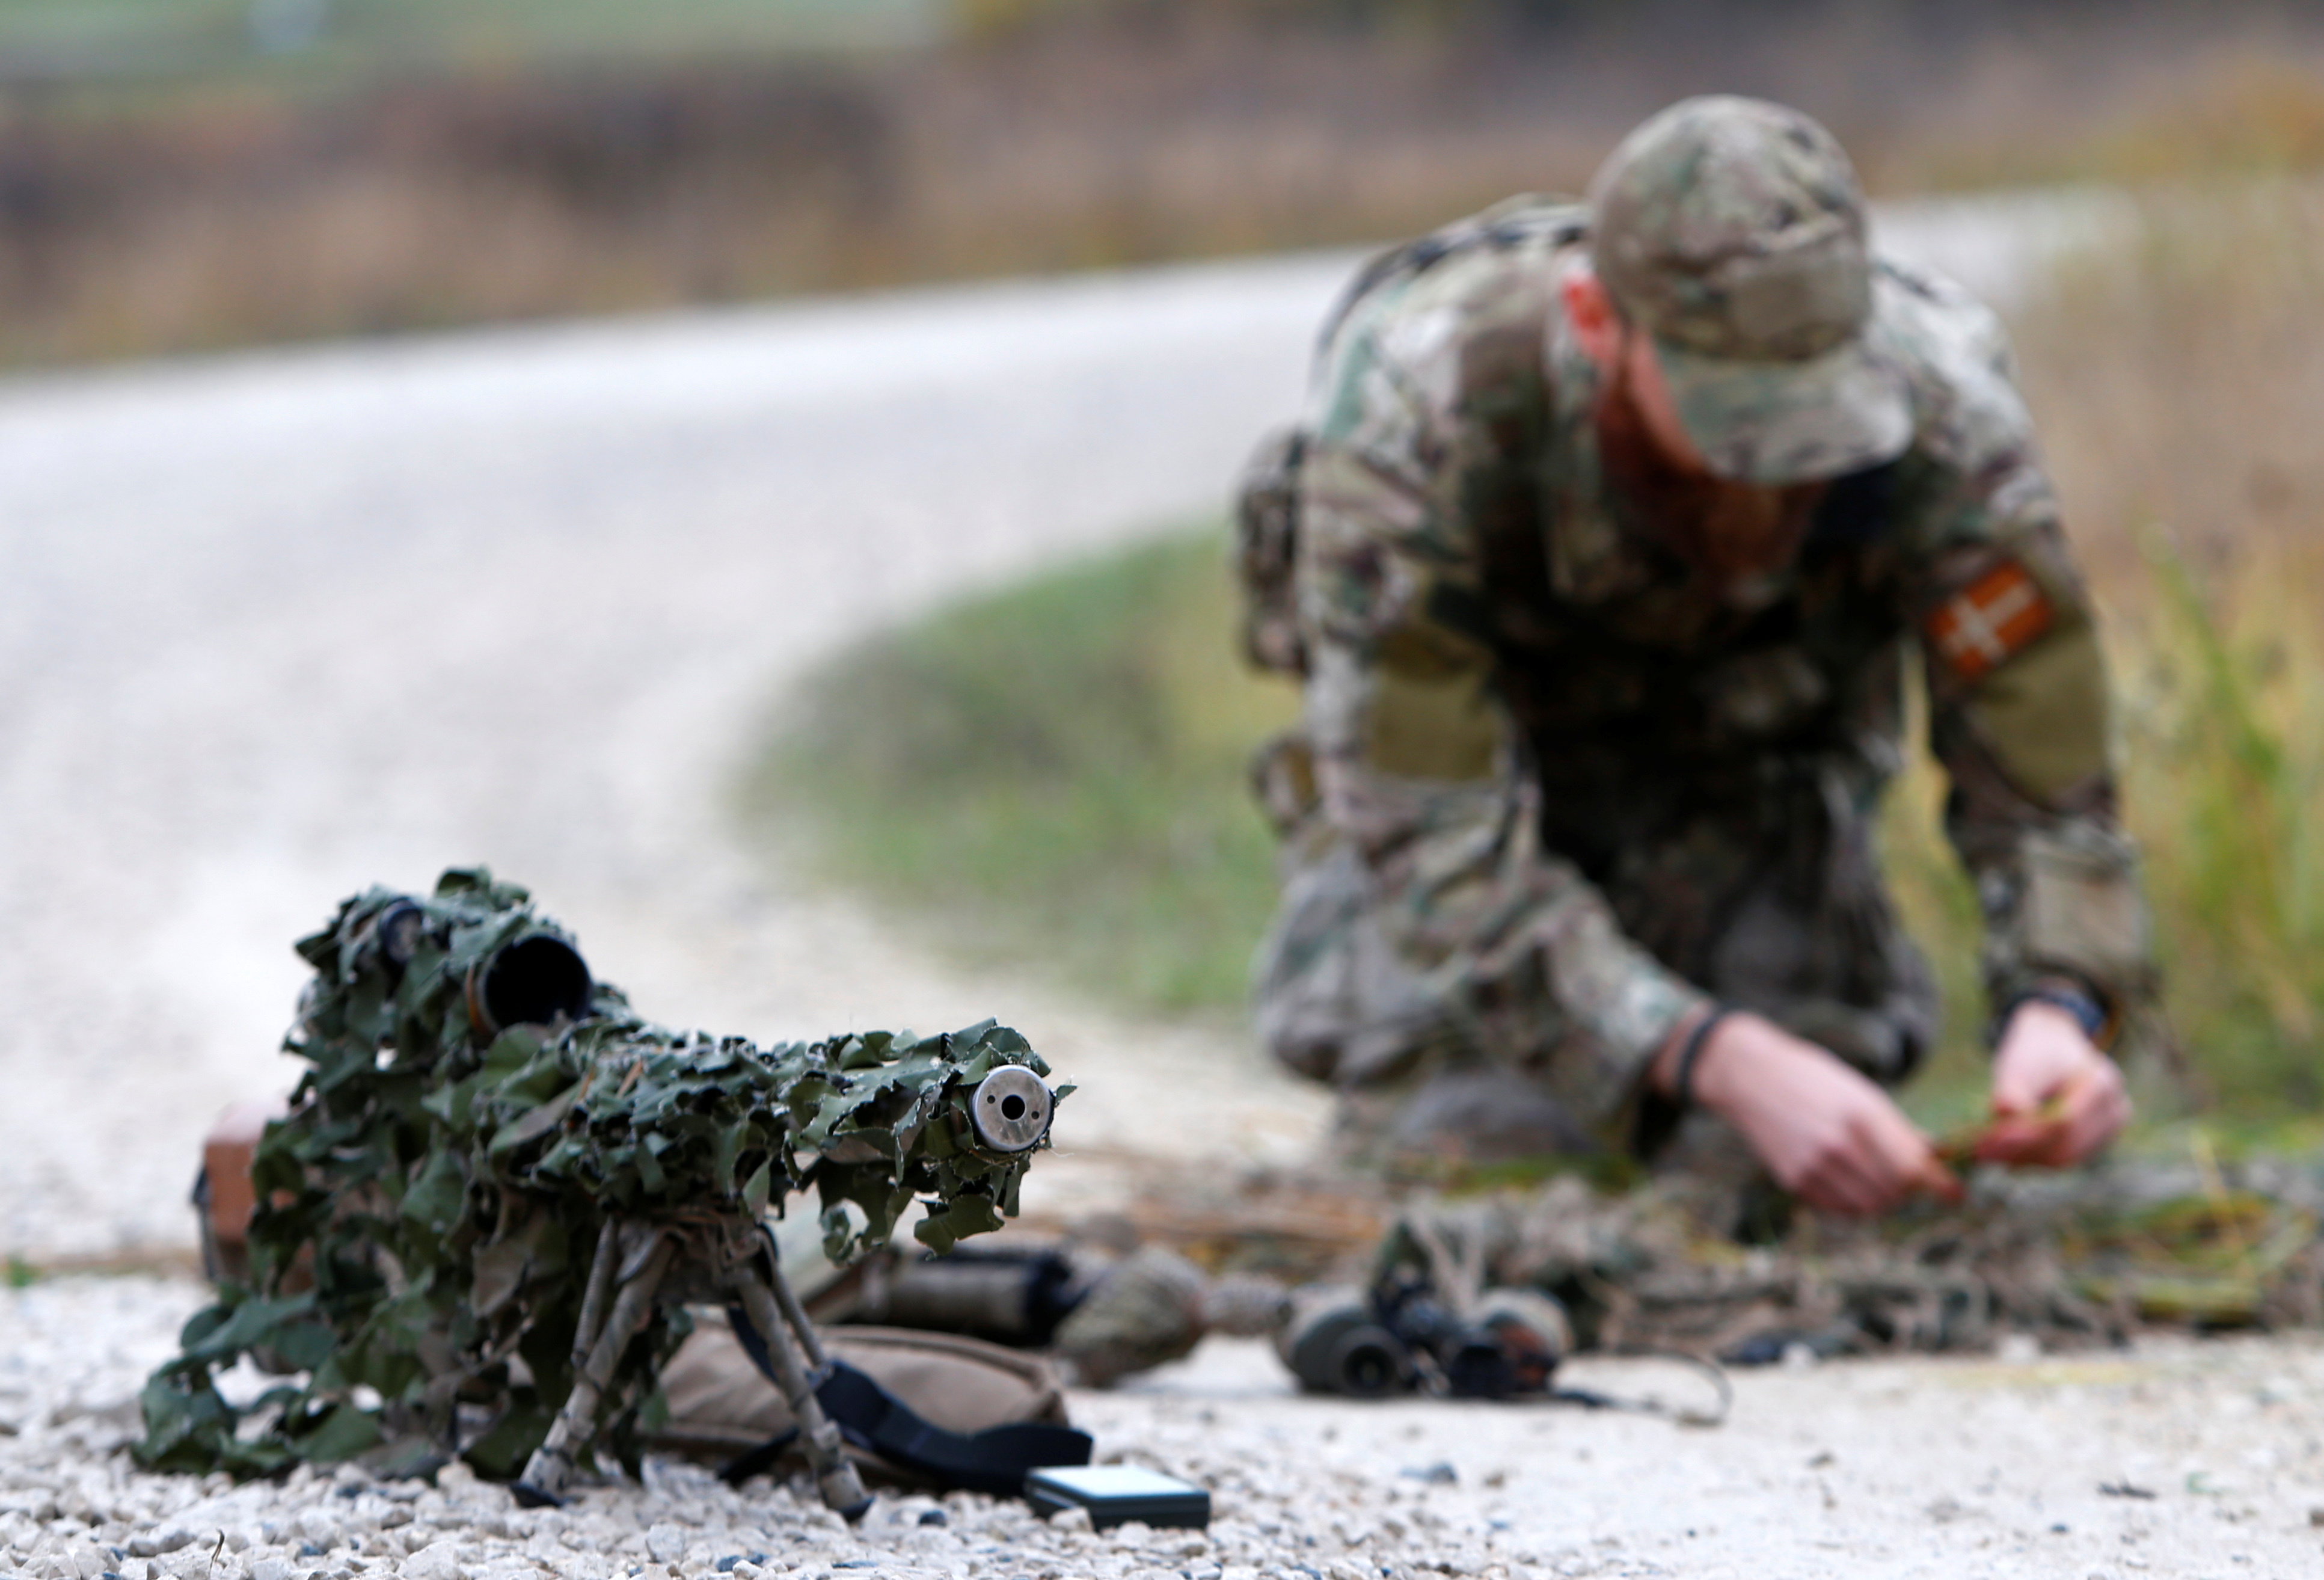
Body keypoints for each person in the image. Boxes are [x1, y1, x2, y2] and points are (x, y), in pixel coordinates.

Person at [1237, 96, 2156, 1218]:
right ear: (1593, 320)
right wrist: (1710, 1053)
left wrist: (2060, 1008)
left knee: (1788, 1175)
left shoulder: (1941, 412)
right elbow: (1429, 832)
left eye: (1813, 413)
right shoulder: (1420, 408)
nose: (1774, 466)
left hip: (1758, 800)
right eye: (1735, 409)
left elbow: (2041, 756)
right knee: (1479, 1161)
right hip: (1497, 827)